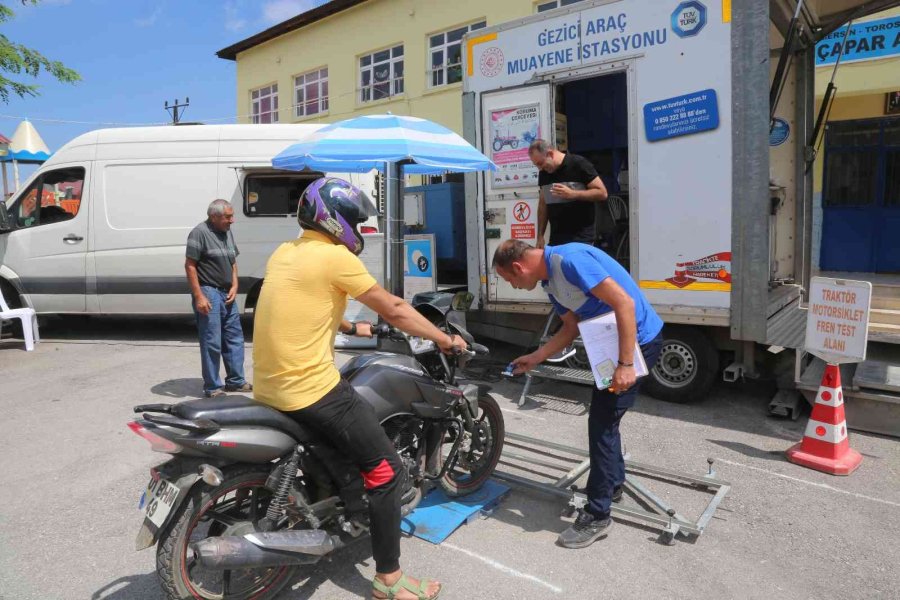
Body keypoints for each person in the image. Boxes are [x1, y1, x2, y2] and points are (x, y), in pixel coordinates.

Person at [253, 177, 464, 600]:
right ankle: (390, 581)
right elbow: (398, 309)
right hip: (309, 389)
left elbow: (300, 302)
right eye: (354, 220)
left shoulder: (285, 251)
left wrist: (349, 325)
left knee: (347, 450)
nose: (359, 228)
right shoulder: (335, 258)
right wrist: (444, 339)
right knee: (386, 472)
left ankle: (346, 503)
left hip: (269, 385)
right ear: (335, 221)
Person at [492, 239, 664, 549]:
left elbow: (624, 303)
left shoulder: (569, 261)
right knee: (605, 423)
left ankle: (598, 515)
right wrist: (536, 357)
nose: (513, 286)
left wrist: (626, 364)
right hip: (613, 344)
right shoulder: (549, 282)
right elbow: (569, 328)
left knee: (602, 425)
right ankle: (611, 485)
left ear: (518, 267)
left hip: (637, 343)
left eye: (509, 280)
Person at [184, 199, 252, 398]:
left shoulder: (226, 232)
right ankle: (213, 387)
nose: (232, 220)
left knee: (234, 338)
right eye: (228, 217)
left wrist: (235, 284)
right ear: (214, 217)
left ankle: (235, 381)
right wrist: (199, 296)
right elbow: (190, 266)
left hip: (227, 292)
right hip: (209, 292)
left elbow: (233, 261)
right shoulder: (199, 233)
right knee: (212, 341)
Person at [528, 139, 608, 248]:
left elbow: (602, 193)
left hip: (581, 239)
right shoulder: (544, 173)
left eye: (540, 163)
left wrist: (573, 194)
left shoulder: (579, 164)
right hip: (556, 240)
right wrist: (540, 236)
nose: (540, 168)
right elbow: (543, 204)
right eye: (536, 165)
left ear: (550, 154)